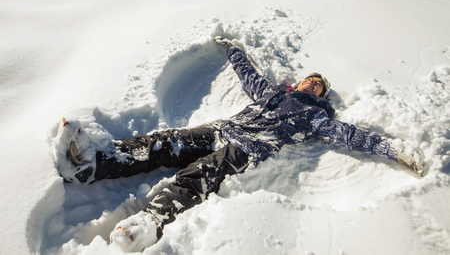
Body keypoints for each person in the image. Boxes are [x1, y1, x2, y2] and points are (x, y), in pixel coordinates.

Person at [53, 36, 424, 252]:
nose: (314, 85)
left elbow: (356, 137)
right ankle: (94, 163)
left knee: (201, 174)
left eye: (320, 86)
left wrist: (395, 150)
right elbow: (249, 75)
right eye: (311, 80)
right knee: (165, 143)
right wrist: (233, 48)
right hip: (223, 128)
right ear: (298, 82)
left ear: (323, 96)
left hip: (250, 147)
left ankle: (149, 223)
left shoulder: (317, 117)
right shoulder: (271, 93)